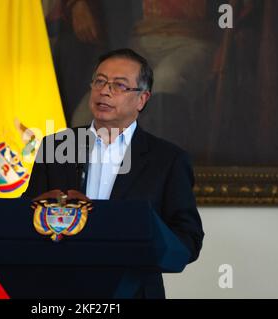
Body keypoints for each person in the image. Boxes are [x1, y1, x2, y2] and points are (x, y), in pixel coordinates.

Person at [23, 48, 204, 298]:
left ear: (142, 99)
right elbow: (27, 216)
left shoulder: (167, 160)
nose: (105, 91)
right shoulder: (57, 147)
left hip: (133, 291)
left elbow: (188, 239)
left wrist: (138, 247)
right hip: (62, 292)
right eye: (99, 81)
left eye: (119, 85)